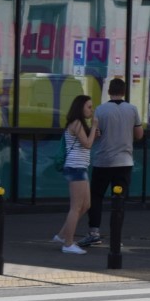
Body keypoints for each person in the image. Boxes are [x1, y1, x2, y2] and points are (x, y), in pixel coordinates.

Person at [80, 78, 143, 247]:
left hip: (103, 161)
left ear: (109, 91)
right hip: (125, 161)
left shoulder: (100, 110)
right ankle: (117, 236)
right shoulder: (132, 109)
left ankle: (94, 232)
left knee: (97, 197)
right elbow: (139, 134)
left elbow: (96, 133)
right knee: (119, 200)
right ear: (124, 91)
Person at [54, 95, 97, 254]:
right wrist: (93, 127)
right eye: (89, 107)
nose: (91, 110)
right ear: (80, 107)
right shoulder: (77, 123)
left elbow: (86, 143)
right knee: (76, 207)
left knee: (86, 205)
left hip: (81, 167)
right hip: (75, 167)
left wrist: (93, 130)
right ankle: (68, 243)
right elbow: (87, 144)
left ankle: (62, 235)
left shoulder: (79, 124)